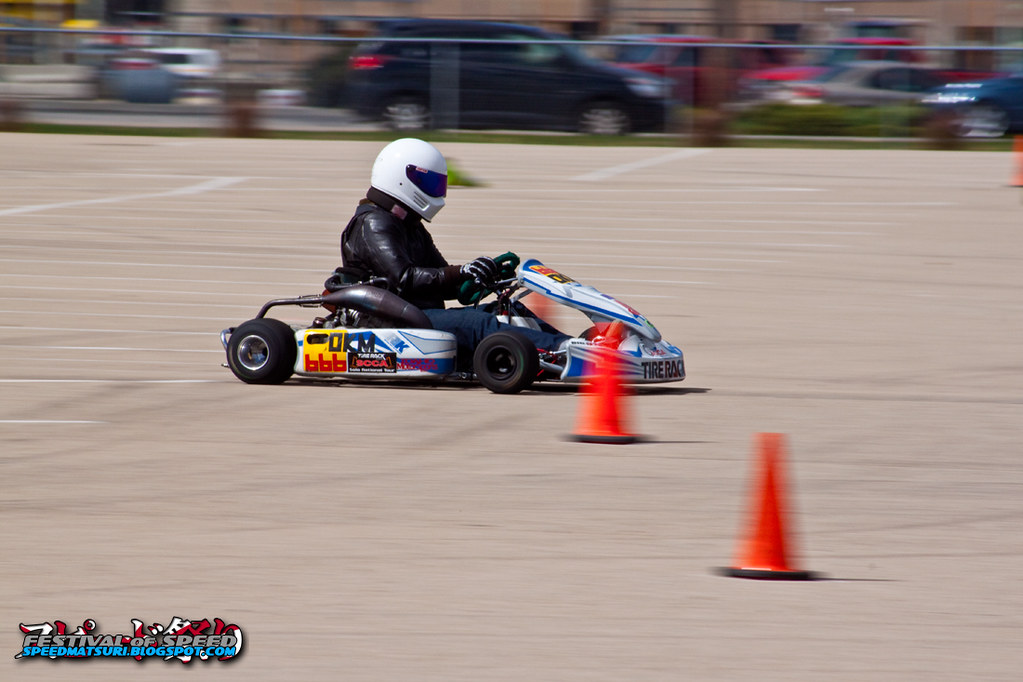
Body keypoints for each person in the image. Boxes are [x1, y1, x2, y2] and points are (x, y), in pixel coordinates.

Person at [339, 138, 570, 362]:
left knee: (510, 310)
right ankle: (561, 352)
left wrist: (481, 275)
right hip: (392, 320)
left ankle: (574, 346)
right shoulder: (373, 223)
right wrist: (462, 271)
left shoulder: (411, 226)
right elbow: (404, 279)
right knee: (478, 323)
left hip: (418, 315)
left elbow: (442, 279)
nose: (436, 190)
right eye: (429, 182)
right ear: (400, 177)